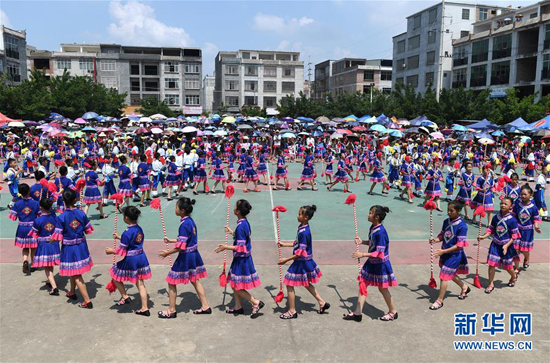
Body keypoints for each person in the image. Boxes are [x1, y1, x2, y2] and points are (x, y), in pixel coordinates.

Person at [344, 205, 398, 322]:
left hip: (380, 265)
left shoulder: (381, 233)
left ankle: (393, 312)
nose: (368, 214)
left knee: (382, 289)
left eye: (370, 213)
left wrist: (362, 254)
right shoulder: (373, 227)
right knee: (362, 283)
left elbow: (379, 252)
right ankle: (358, 313)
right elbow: (372, 243)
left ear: (376, 217)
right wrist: (362, 241)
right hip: (371, 262)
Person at [158, 198, 210, 318]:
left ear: (182, 210)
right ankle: (205, 306)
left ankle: (171, 310)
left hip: (185, 257)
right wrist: (172, 240)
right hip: (194, 255)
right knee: (195, 280)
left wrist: (167, 253)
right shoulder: (191, 221)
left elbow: (181, 247)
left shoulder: (183, 225)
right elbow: (187, 240)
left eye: (176, 207)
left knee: (171, 281)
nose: (174, 209)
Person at [214, 199, 264, 318]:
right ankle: (238, 306)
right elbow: (245, 239)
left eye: (235, 206)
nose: (233, 208)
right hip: (241, 259)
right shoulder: (244, 223)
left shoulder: (241, 226)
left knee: (237, 285)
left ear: (237, 211)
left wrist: (225, 247)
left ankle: (256, 302)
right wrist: (232, 232)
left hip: (241, 261)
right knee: (233, 283)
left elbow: (241, 247)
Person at [278, 205, 329, 319]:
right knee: (305, 283)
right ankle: (322, 302)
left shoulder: (304, 232)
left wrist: (285, 260)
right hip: (305, 261)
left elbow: (300, 252)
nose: (297, 216)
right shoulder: (302, 227)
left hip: (301, 262)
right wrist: (284, 244)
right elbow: (296, 244)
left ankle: (292, 311)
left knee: (289, 283)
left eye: (300, 214)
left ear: (306, 217)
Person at [51, 188, 95, 308]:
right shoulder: (81, 213)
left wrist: (50, 239)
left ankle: (87, 300)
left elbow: (58, 236)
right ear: (75, 199)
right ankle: (72, 292)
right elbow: (88, 230)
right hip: (81, 246)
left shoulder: (61, 217)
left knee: (76, 274)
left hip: (69, 248)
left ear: (64, 201)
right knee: (73, 270)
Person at [105, 206, 152, 316]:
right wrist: (119, 237)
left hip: (131, 260)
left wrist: (112, 251)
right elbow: (132, 241)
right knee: (140, 284)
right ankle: (145, 307)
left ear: (126, 218)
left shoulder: (127, 232)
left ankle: (125, 296)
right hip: (141, 257)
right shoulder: (139, 228)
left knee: (115, 274)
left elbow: (122, 250)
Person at [428, 201, 470, 310]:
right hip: (446, 253)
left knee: (443, 276)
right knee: (450, 274)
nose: (449, 213)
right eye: (448, 210)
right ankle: (465, 287)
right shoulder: (446, 221)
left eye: (452, 211)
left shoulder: (462, 226)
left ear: (459, 211)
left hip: (455, 255)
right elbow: (442, 236)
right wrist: (435, 240)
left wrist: (443, 251)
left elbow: (460, 245)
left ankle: (439, 301)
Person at [477, 197, 519, 294]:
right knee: (491, 264)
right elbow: (491, 230)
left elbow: (514, 236)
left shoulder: (512, 220)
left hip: (506, 247)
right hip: (495, 244)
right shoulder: (496, 217)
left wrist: (506, 245)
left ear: (510, 207)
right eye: (501, 203)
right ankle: (491, 284)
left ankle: (513, 276)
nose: (503, 205)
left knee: (508, 267)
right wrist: (483, 236)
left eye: (505, 204)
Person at [30, 198, 60, 295]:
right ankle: (49, 280)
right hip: (54, 244)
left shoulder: (38, 220)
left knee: (47, 267)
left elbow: (34, 234)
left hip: (43, 245)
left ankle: (54, 287)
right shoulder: (56, 218)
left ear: (40, 207)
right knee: (50, 264)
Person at [8, 183, 39, 274]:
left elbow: (12, 217)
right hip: (33, 227)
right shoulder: (36, 203)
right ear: (29, 191)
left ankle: (25, 260)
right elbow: (40, 215)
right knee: (33, 247)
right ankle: (33, 264)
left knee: (25, 247)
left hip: (22, 227)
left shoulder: (17, 204)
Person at [512, 185, 542, 273]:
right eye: (521, 194)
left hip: (527, 231)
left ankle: (526, 257)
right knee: (516, 249)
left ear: (530, 195)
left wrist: (536, 226)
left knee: (524, 250)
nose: (523, 196)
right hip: (517, 230)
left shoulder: (533, 207)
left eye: (525, 194)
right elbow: (514, 215)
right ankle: (516, 267)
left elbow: (535, 218)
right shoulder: (517, 204)